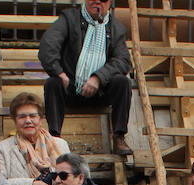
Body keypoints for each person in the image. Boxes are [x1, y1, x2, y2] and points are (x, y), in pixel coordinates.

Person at [38, 0, 134, 157]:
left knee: (123, 82)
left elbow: (123, 60)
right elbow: (48, 45)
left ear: (109, 3)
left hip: (101, 92)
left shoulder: (116, 27)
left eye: (102, 0)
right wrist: (59, 73)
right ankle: (54, 139)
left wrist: (98, 78)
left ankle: (119, 137)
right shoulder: (69, 18)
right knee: (53, 83)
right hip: (70, 89)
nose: (97, 2)